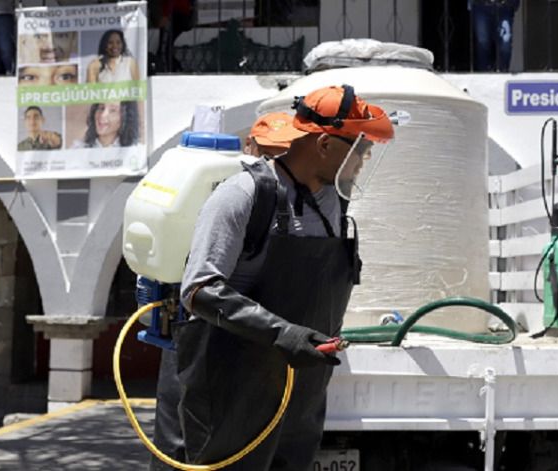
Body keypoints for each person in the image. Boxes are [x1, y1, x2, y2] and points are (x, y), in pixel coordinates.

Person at [150, 85, 395, 470]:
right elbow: (198, 290)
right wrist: (284, 334)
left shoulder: (334, 205)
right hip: (232, 393)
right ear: (326, 146)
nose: (364, 159)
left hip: (300, 397)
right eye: (359, 148)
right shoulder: (245, 195)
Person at [469, 0, 521, 72]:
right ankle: (484, 73)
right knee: (482, 42)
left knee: (505, 43)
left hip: (505, 6)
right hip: (481, 5)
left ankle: (502, 71)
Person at [72, 102, 139, 149]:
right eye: (101, 108)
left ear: (126, 117)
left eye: (112, 110)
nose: (102, 115)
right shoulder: (78, 148)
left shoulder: (135, 150)